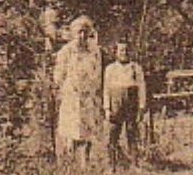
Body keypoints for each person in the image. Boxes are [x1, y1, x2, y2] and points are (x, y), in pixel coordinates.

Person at [53, 16, 103, 167]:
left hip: (88, 96)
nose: (82, 36)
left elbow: (97, 73)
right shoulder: (66, 51)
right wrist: (67, 88)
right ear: (73, 33)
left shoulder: (93, 52)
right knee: (72, 129)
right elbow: (58, 76)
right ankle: (71, 163)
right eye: (79, 32)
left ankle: (85, 164)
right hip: (72, 97)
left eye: (85, 32)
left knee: (87, 130)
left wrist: (92, 90)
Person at [103, 40, 147, 167]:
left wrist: (141, 106)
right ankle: (112, 165)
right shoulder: (110, 69)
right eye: (121, 50)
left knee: (131, 131)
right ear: (116, 52)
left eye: (126, 50)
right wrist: (107, 108)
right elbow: (106, 89)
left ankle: (135, 163)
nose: (124, 53)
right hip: (115, 102)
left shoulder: (136, 68)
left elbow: (142, 87)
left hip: (131, 101)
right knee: (113, 133)